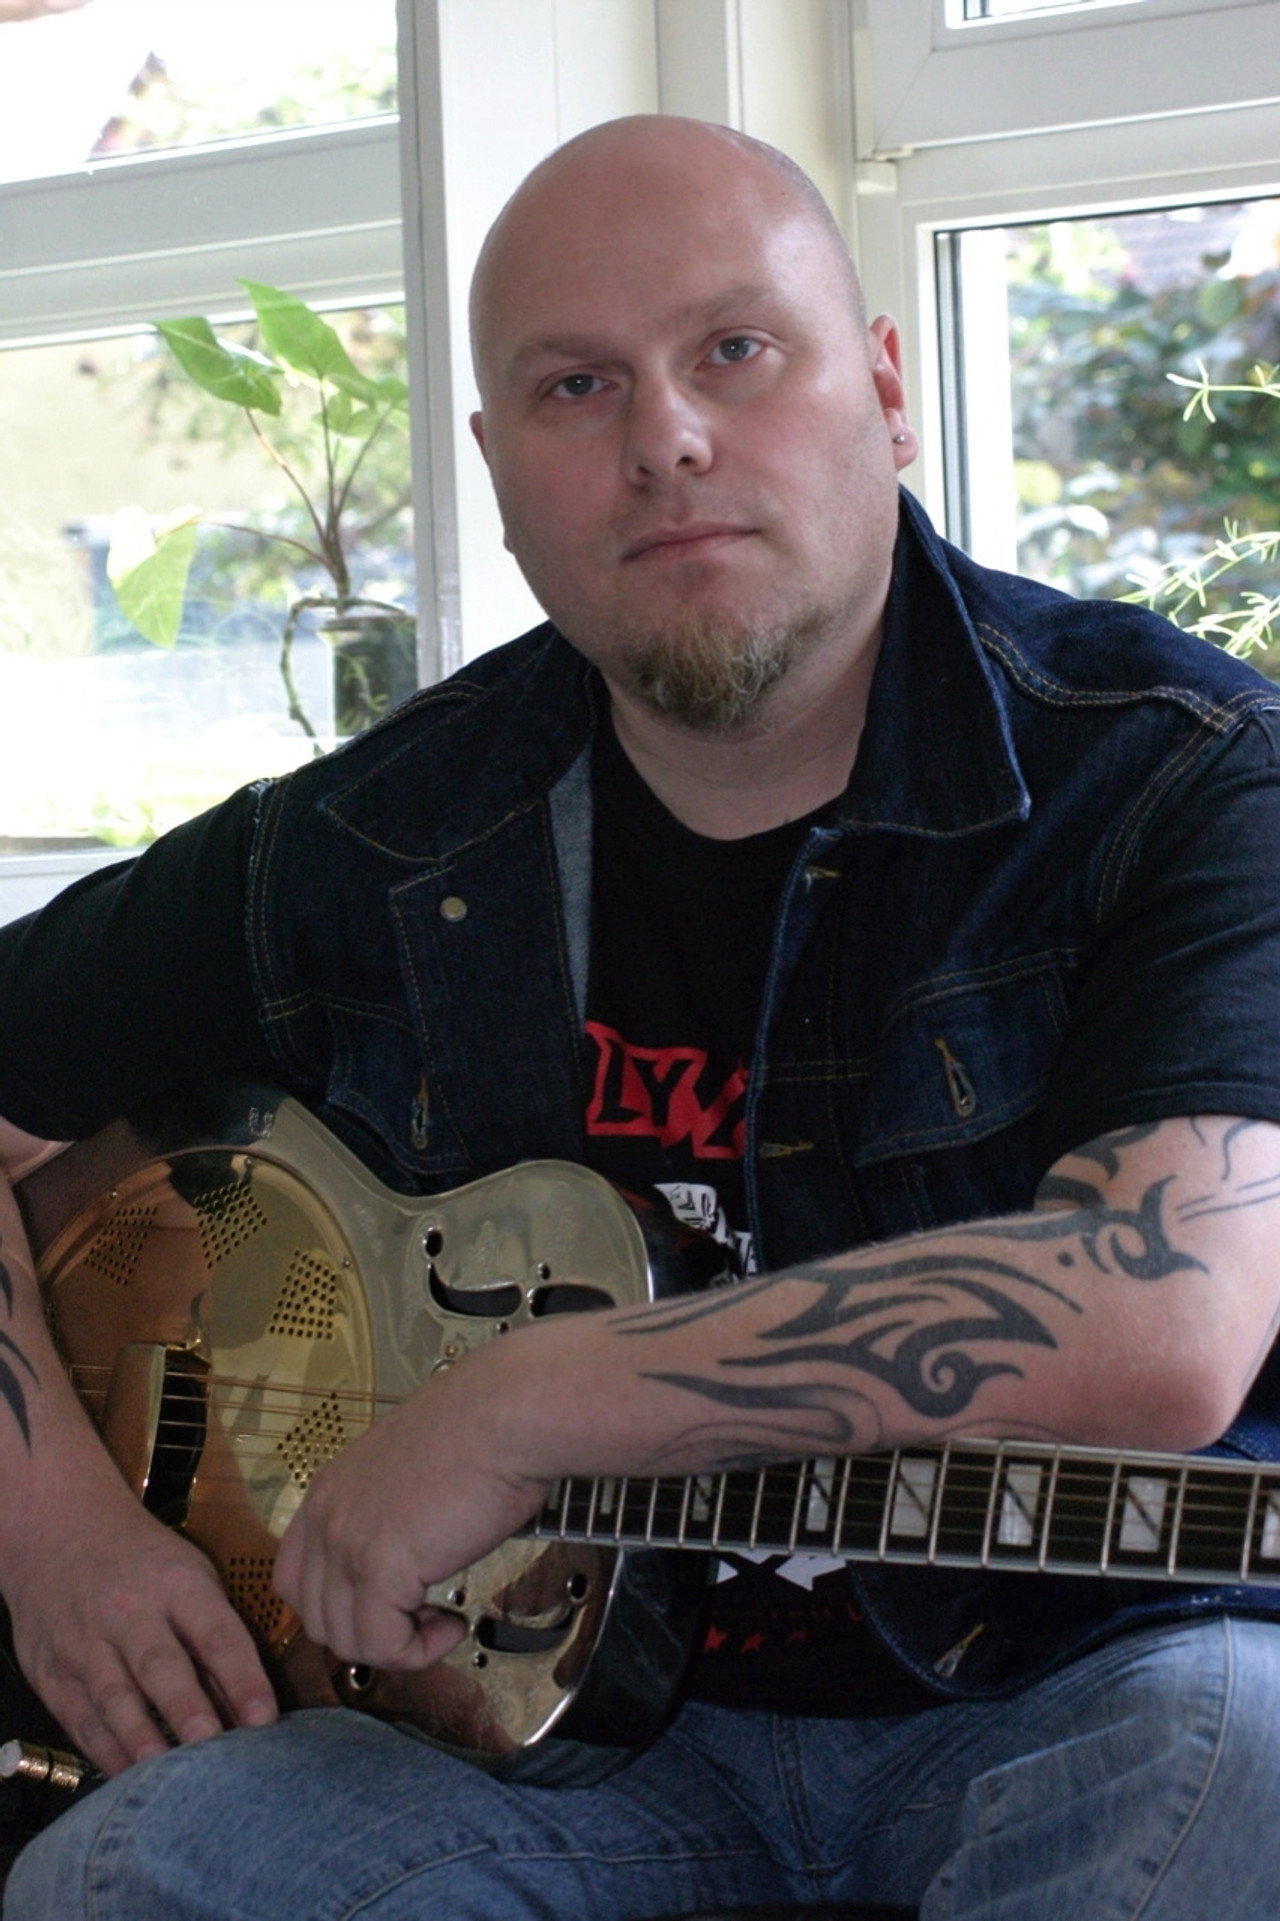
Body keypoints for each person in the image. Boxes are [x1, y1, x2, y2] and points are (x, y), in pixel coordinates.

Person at [3, 112, 1280, 1919]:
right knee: (135, 1873)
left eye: (735, 350)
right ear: (497, 470)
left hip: (1074, 1675)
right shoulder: (382, 834)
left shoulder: (1175, 777)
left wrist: (525, 1406)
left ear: (887, 386)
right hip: (518, 1741)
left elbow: (1163, 1309)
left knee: (1244, 1772)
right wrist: (56, 1530)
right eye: (576, 386)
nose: (665, 437)